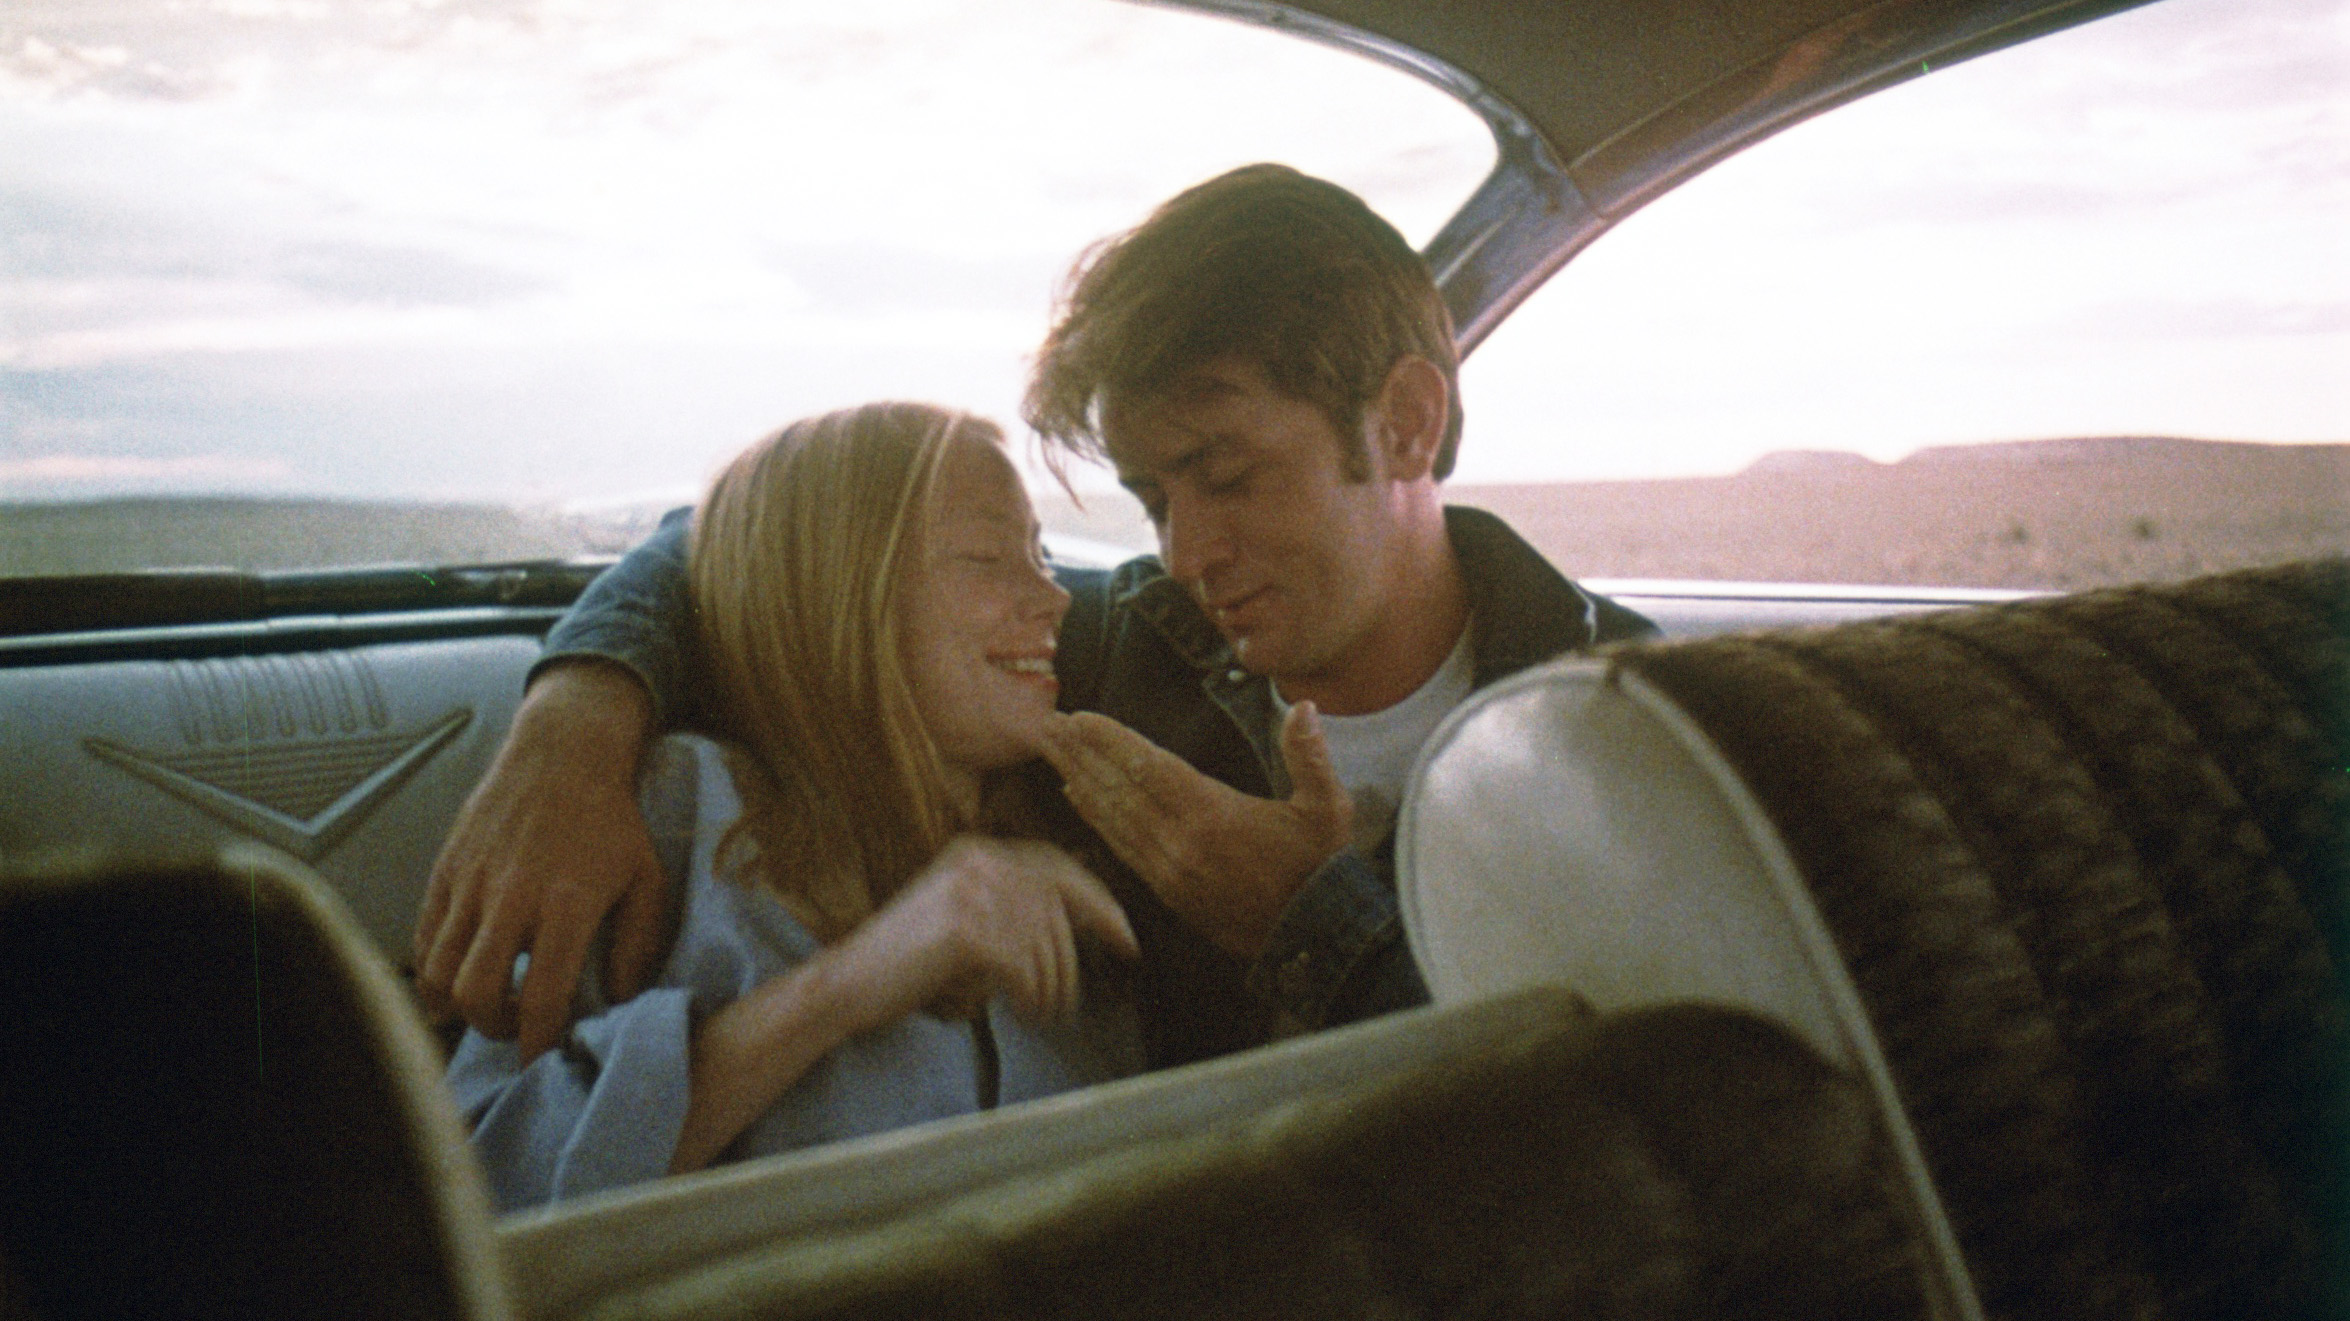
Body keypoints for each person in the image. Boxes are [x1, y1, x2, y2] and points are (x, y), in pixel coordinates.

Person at [416, 163, 1656, 1072]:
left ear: (1405, 423)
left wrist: (1314, 930)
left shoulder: (1641, 733)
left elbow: (1650, 1115)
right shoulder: (1124, 648)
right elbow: (761, 544)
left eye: (1225, 476)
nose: (1185, 553)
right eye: (1152, 498)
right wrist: (572, 731)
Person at [444, 403, 1143, 1211]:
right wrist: (842, 989)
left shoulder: (1082, 833)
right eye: (987, 557)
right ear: (838, 597)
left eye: (1041, 553)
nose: (1053, 597)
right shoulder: (674, 813)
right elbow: (476, 1200)